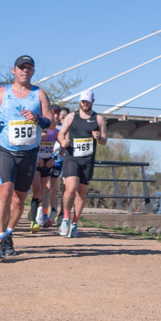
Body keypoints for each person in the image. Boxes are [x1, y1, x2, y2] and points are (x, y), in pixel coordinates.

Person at [0, 55, 53, 260]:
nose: (25, 70)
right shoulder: (0, 93)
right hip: (5, 149)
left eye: (29, 68)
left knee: (19, 198)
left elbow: (50, 122)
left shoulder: (39, 94)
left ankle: (8, 234)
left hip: (29, 152)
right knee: (5, 192)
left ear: (33, 71)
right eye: (21, 67)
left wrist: (38, 118)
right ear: (13, 70)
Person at [57, 91, 106, 238]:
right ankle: (65, 218)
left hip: (87, 160)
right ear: (80, 102)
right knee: (71, 187)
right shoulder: (71, 117)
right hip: (72, 157)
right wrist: (62, 141)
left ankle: (75, 223)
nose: (85, 104)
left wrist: (99, 137)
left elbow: (104, 141)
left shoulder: (99, 119)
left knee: (82, 192)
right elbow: (61, 133)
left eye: (87, 101)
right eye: (83, 101)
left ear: (92, 101)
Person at [31, 105, 62, 229]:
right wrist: (37, 157)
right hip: (36, 161)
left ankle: (42, 214)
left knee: (45, 191)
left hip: (48, 162)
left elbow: (64, 146)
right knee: (37, 189)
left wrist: (54, 158)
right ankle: (34, 218)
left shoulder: (56, 132)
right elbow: (31, 143)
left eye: (57, 115)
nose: (55, 117)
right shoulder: (38, 128)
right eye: (53, 114)